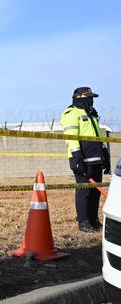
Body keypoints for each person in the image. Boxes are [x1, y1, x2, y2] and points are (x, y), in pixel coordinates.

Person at [59, 87, 111, 233]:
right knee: (84, 191)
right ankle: (83, 221)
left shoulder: (91, 113)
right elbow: (71, 138)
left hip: (96, 158)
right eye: (89, 98)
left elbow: (98, 135)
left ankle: (94, 220)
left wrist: (104, 154)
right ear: (80, 98)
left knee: (95, 191)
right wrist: (77, 158)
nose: (92, 101)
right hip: (82, 159)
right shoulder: (71, 114)